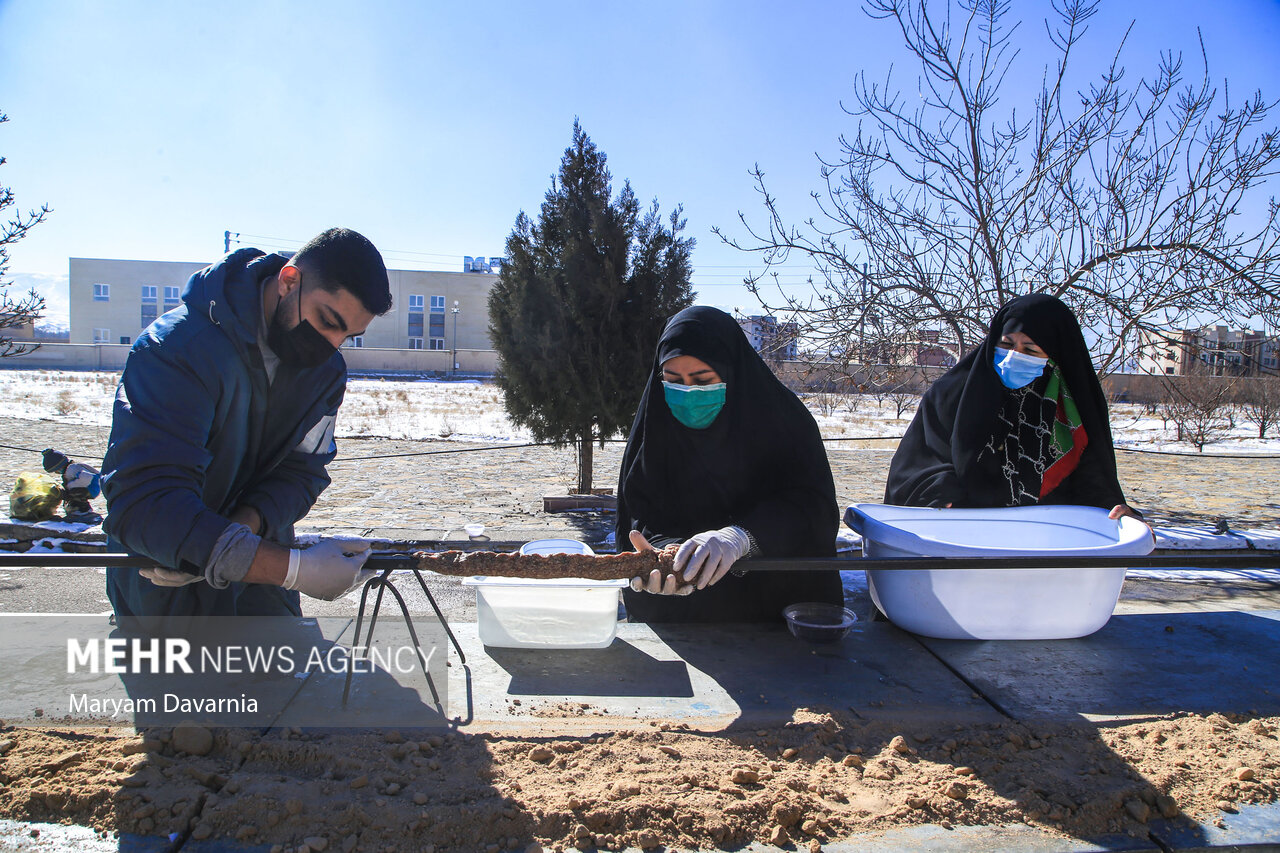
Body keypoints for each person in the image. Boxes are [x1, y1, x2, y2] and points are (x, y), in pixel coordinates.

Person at [102, 227, 393, 622]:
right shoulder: (176, 350)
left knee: (288, 681)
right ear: (289, 281)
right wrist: (292, 569)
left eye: (349, 336)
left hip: (263, 594)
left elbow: (302, 470)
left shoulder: (323, 374)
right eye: (327, 320)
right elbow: (145, 499)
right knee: (175, 685)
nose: (333, 345)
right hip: (164, 591)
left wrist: (243, 533)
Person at [616, 305, 844, 622]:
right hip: (687, 618)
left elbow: (812, 508)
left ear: (732, 372)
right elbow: (643, 513)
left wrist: (741, 538)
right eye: (673, 379)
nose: (687, 392)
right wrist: (667, 556)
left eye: (702, 379)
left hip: (778, 617)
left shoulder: (785, 423)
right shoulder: (656, 430)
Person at [884, 293, 1140, 519]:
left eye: (1030, 350)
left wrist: (1115, 511)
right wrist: (939, 493)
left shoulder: (1072, 410)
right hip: (961, 533)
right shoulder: (951, 395)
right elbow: (919, 465)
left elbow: (1093, 480)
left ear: (1056, 355)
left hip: (1046, 541)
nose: (1012, 356)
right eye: (1006, 345)